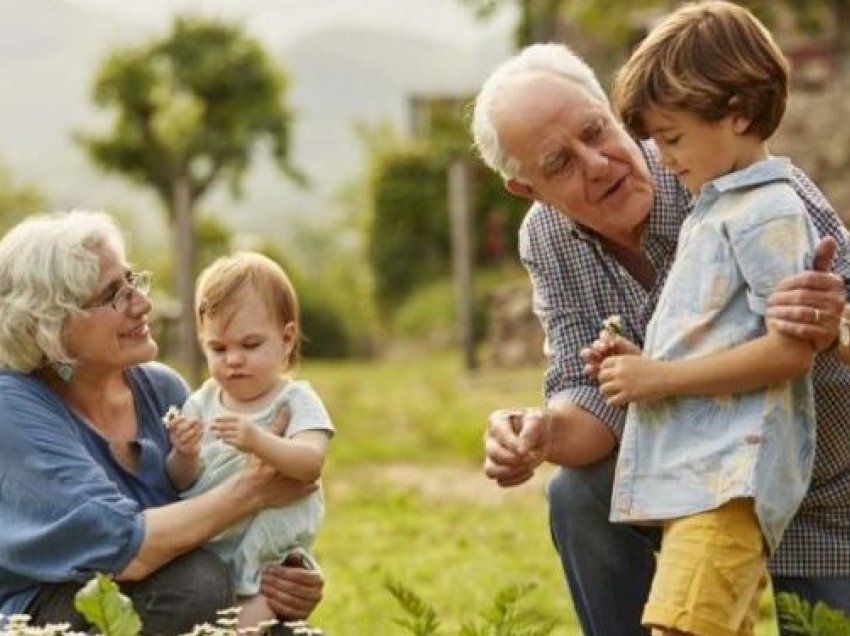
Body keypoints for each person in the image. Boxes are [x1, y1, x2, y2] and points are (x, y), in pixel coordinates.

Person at [471, 35, 850, 636]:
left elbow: (838, 315)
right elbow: (586, 391)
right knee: (578, 495)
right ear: (527, 190)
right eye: (559, 164)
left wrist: (829, 327)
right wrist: (542, 432)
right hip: (694, 481)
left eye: (596, 132)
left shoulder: (735, 174)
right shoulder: (546, 237)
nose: (597, 165)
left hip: (823, 486)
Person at [576, 3, 820, 633]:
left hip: (728, 482)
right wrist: (634, 361)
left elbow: (790, 352)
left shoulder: (768, 211)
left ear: (737, 113)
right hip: (698, 479)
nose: (662, 156)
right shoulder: (711, 209)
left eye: (673, 137)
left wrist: (657, 379)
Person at [0, 210, 323, 634]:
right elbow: (124, 548)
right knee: (197, 585)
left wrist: (285, 575)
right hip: (44, 610)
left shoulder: (162, 390)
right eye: (114, 294)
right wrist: (255, 490)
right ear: (52, 324)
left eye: (132, 280)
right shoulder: (14, 406)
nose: (143, 303)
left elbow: (212, 511)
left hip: (158, 591)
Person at [168, 251, 334, 629]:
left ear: (286, 339)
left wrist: (258, 440)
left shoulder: (294, 400)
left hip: (268, 554)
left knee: (250, 620)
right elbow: (181, 482)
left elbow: (310, 463)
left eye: (250, 345)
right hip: (211, 543)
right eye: (219, 348)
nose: (233, 360)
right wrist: (184, 453)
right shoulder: (201, 401)